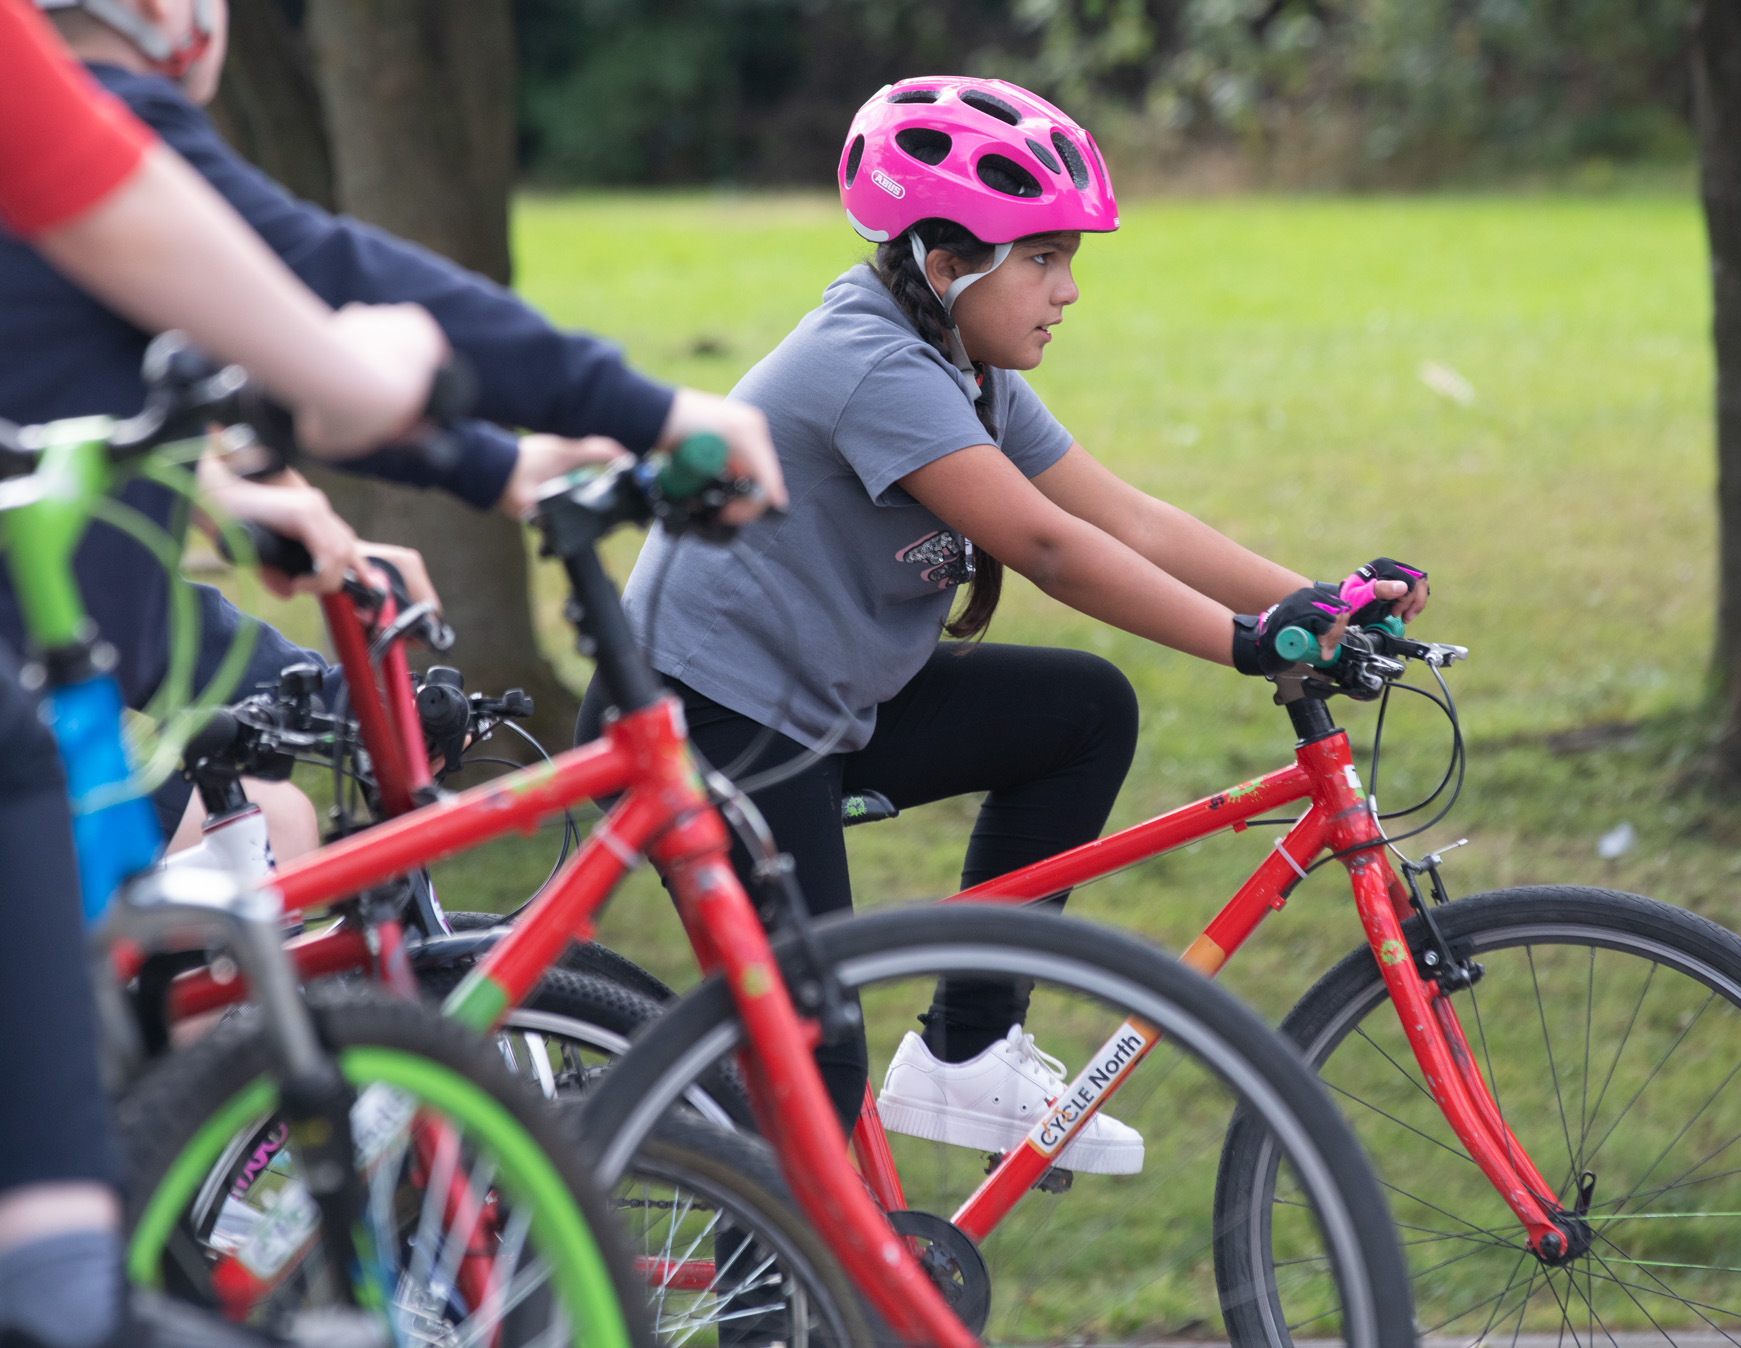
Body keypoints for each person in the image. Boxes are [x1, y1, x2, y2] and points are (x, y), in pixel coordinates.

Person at [587, 76, 1428, 1174]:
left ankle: (964, 1053)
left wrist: (1314, 599)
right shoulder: (873, 364)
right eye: (1041, 258)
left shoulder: (960, 366)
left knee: (1079, 711)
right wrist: (1241, 641)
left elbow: (1126, 515)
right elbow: (1048, 547)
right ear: (947, 261)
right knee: (813, 1063)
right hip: (709, 722)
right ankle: (775, 1313)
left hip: (821, 703)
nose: (1067, 289)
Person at [11, 0, 784, 846]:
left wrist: (490, 468)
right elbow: (322, 286)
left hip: (51, 681)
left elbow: (168, 378)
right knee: (244, 842)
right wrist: (653, 410)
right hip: (31, 712)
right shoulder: (71, 105)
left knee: (265, 827)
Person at [0, 3, 465, 1344]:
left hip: (95, 645)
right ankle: (183, 1169)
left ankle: (170, 1163)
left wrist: (258, 500)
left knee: (256, 819)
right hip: (59, 676)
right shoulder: (88, 138)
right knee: (250, 833)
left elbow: (160, 424)